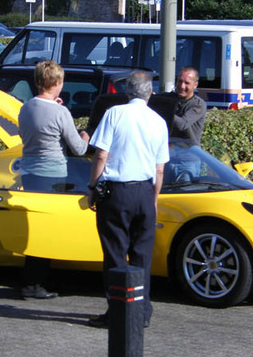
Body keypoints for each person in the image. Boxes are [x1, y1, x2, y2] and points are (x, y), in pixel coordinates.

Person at [87, 71, 169, 329]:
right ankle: (141, 310)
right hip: (145, 191)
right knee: (141, 256)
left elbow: (101, 155)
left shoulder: (114, 113)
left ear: (127, 92)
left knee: (114, 255)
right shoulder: (158, 121)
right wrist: (153, 199)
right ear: (150, 92)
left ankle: (118, 312)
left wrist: (92, 188)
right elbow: (159, 169)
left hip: (117, 192)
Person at [17, 60, 90, 299]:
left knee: (35, 227)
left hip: (29, 174)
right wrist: (85, 135)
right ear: (56, 83)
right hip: (54, 175)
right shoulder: (61, 112)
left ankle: (32, 280)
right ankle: (35, 284)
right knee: (48, 231)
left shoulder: (25, 108)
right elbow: (78, 149)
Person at [167, 66, 206, 146]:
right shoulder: (169, 98)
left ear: (195, 85)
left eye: (187, 83)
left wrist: (164, 111)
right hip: (171, 153)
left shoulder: (198, 104)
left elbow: (182, 124)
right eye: (180, 81)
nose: (182, 86)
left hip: (189, 154)